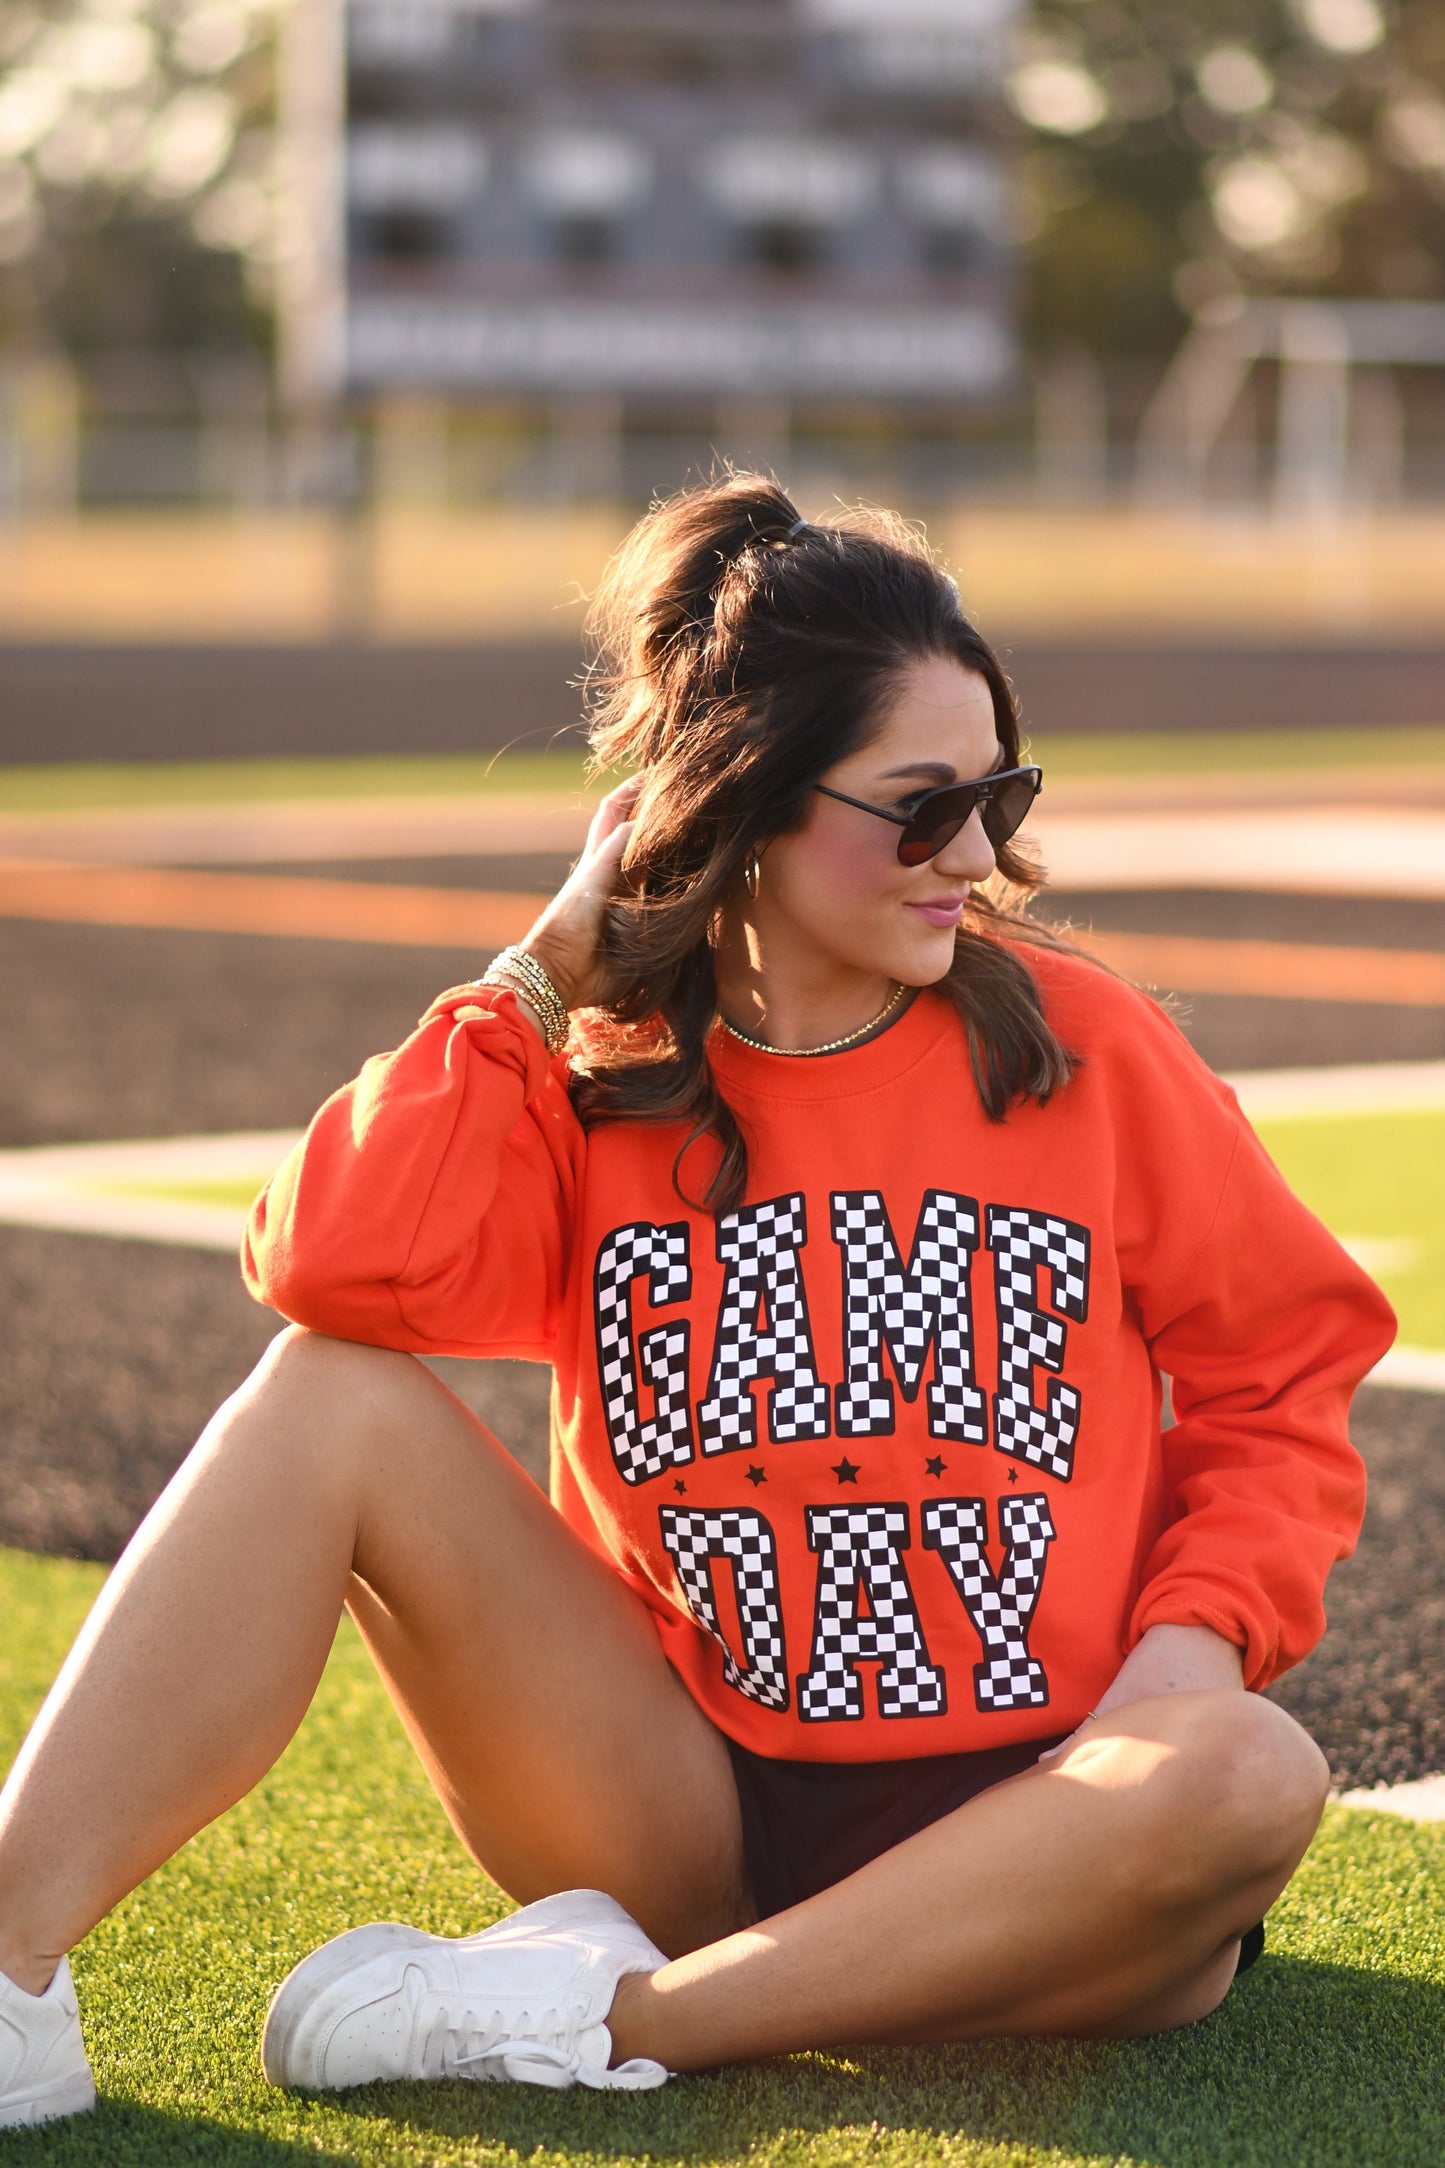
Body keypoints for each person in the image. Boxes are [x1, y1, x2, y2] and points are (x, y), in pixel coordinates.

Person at [0, 476, 1395, 2125]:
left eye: (996, 794)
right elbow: (335, 1270)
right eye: (917, 805)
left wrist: (1188, 1642)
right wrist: (534, 983)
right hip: (674, 1806)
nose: (977, 853)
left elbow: (1281, 1373)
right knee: (328, 1395)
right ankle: (9, 1975)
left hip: (1051, 1819)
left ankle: (618, 2020)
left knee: (1245, 1769)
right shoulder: (597, 1075)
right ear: (744, 799)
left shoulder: (1085, 1051)